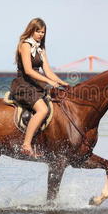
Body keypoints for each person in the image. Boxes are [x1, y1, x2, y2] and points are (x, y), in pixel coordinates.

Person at [10, 18, 69, 158]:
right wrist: (48, 82)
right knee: (43, 110)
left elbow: (48, 71)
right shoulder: (25, 45)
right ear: (31, 30)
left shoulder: (40, 48)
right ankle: (26, 144)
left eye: (43, 32)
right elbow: (29, 71)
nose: (40, 34)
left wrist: (62, 83)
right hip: (24, 85)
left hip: (36, 84)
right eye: (38, 31)